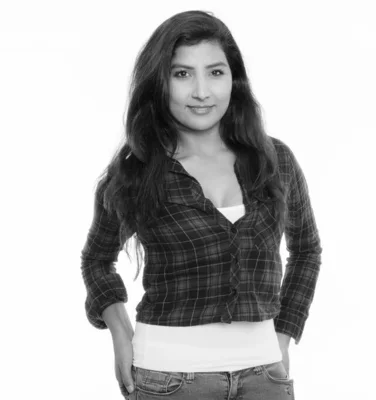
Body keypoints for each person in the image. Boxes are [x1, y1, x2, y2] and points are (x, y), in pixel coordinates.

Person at [79, 10, 322, 400]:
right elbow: (96, 259)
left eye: (215, 72)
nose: (202, 92)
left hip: (265, 379)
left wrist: (283, 335)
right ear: (159, 82)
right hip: (169, 380)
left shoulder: (276, 160)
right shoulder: (136, 172)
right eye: (182, 74)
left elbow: (307, 250)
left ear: (234, 79)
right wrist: (120, 333)